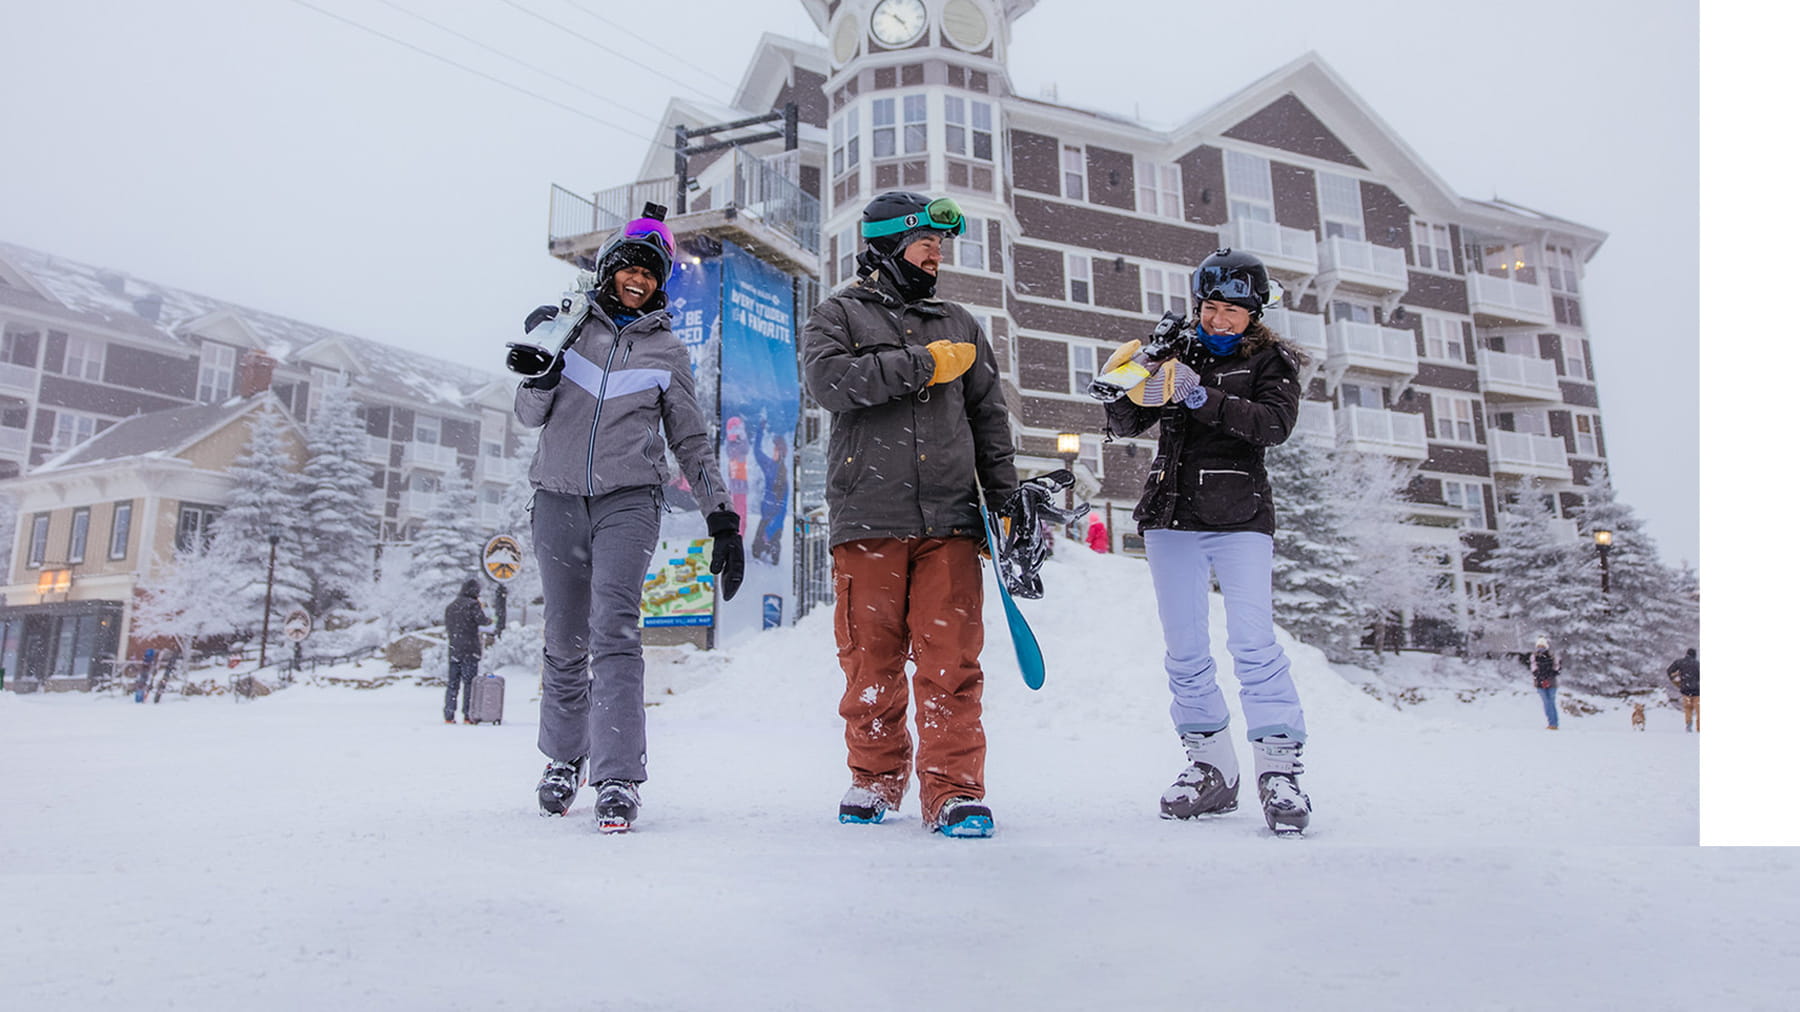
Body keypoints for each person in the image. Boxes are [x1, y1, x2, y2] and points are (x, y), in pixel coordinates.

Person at [509, 204, 744, 832]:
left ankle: (617, 777)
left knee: (613, 630)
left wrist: (722, 516)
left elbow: (691, 443)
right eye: (630, 266)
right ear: (611, 269)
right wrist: (539, 377)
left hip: (629, 503)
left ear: (659, 282)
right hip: (557, 500)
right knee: (564, 637)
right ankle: (563, 760)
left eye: (651, 271)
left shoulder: (667, 351)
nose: (638, 278)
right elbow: (529, 417)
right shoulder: (565, 327)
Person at [801, 190, 1020, 838]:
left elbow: (989, 418)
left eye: (940, 244)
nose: (937, 253)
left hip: (949, 521)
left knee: (950, 662)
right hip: (868, 517)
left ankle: (954, 791)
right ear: (888, 243)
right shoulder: (837, 316)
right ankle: (874, 779)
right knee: (871, 661)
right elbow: (829, 383)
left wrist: (1004, 499)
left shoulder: (960, 321)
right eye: (926, 240)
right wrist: (922, 365)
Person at [1098, 247, 1312, 835]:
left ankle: (1279, 769)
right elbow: (1120, 423)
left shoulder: (1272, 361)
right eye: (1211, 307)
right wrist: (1135, 375)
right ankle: (1210, 767)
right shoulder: (1175, 349)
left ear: (1254, 313)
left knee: (1253, 644)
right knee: (1186, 651)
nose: (1219, 320)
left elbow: (1273, 426)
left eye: (1233, 311)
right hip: (1171, 517)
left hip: (1240, 517)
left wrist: (1201, 396)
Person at [443, 577, 490, 724]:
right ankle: (468, 715)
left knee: (452, 684)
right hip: (470, 650)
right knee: (469, 683)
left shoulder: (451, 606)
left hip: (454, 649)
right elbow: (483, 621)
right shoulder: (473, 605)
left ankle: (449, 715)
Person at [749, 417, 789, 565]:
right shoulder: (769, 466)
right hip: (765, 518)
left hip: (774, 525)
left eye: (776, 449)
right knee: (756, 551)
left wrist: (770, 531)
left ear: (781, 453)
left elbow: (783, 510)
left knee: (773, 558)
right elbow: (756, 451)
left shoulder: (782, 477)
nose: (773, 451)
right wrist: (760, 430)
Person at [1529, 636, 1561, 730]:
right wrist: (1541, 678)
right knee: (1546, 703)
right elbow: (1534, 669)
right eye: (1539, 646)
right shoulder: (1534, 657)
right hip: (1540, 683)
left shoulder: (1552, 656)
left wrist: (1548, 676)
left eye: (1542, 645)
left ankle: (1554, 723)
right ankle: (1551, 722)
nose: (1540, 648)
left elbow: (1557, 668)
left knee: (1551, 702)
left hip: (1551, 682)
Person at [1666, 647, 1700, 732]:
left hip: (1685, 690)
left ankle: (1688, 723)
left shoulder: (1679, 662)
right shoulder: (1698, 664)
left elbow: (1669, 671)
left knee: (1688, 708)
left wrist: (1676, 681)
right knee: (1699, 710)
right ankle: (1699, 727)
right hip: (1697, 691)